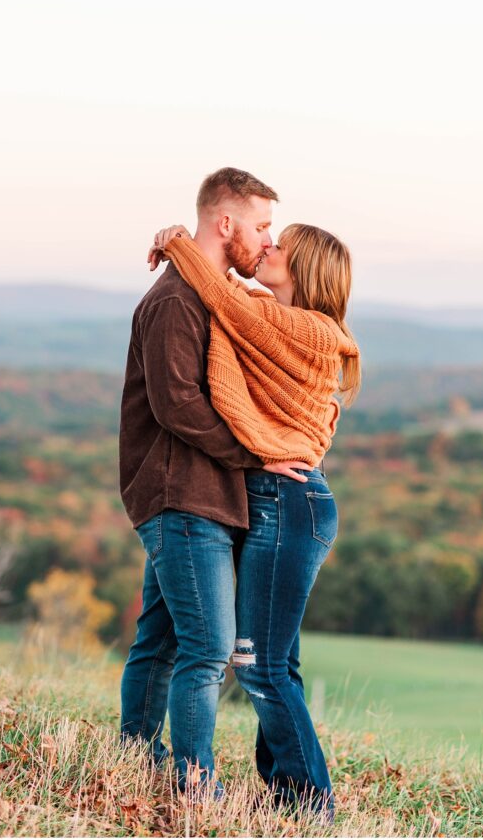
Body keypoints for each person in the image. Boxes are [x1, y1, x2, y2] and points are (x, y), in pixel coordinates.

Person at [147, 219, 361, 822]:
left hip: (289, 505)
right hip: (274, 500)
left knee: (258, 664)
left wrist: (178, 245)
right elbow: (233, 306)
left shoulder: (310, 330)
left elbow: (220, 298)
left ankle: (310, 803)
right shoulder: (275, 319)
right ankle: (285, 795)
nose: (266, 247)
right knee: (273, 660)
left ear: (304, 269)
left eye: (279, 246)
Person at [118, 168, 308, 798]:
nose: (265, 239)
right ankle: (195, 785)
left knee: (163, 640)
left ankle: (131, 757)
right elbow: (177, 405)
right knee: (208, 648)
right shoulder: (176, 301)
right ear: (224, 224)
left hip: (200, 494)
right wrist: (258, 455)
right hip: (181, 495)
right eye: (259, 226)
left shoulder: (206, 290)